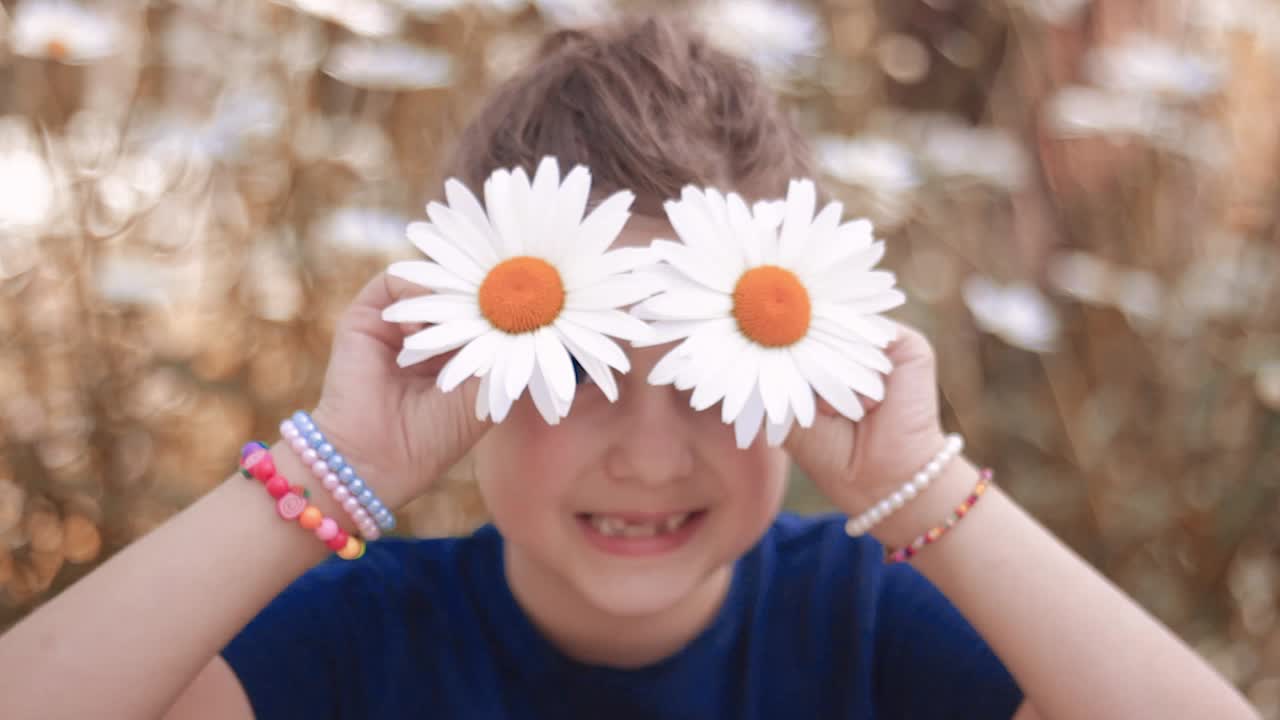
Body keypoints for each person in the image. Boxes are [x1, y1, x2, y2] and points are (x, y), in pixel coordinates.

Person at [0, 14, 1260, 720]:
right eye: (580, 374)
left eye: (715, 381)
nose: (653, 454)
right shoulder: (349, 648)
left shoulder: (862, 628)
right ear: (467, 369)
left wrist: (922, 485)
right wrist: (331, 473)